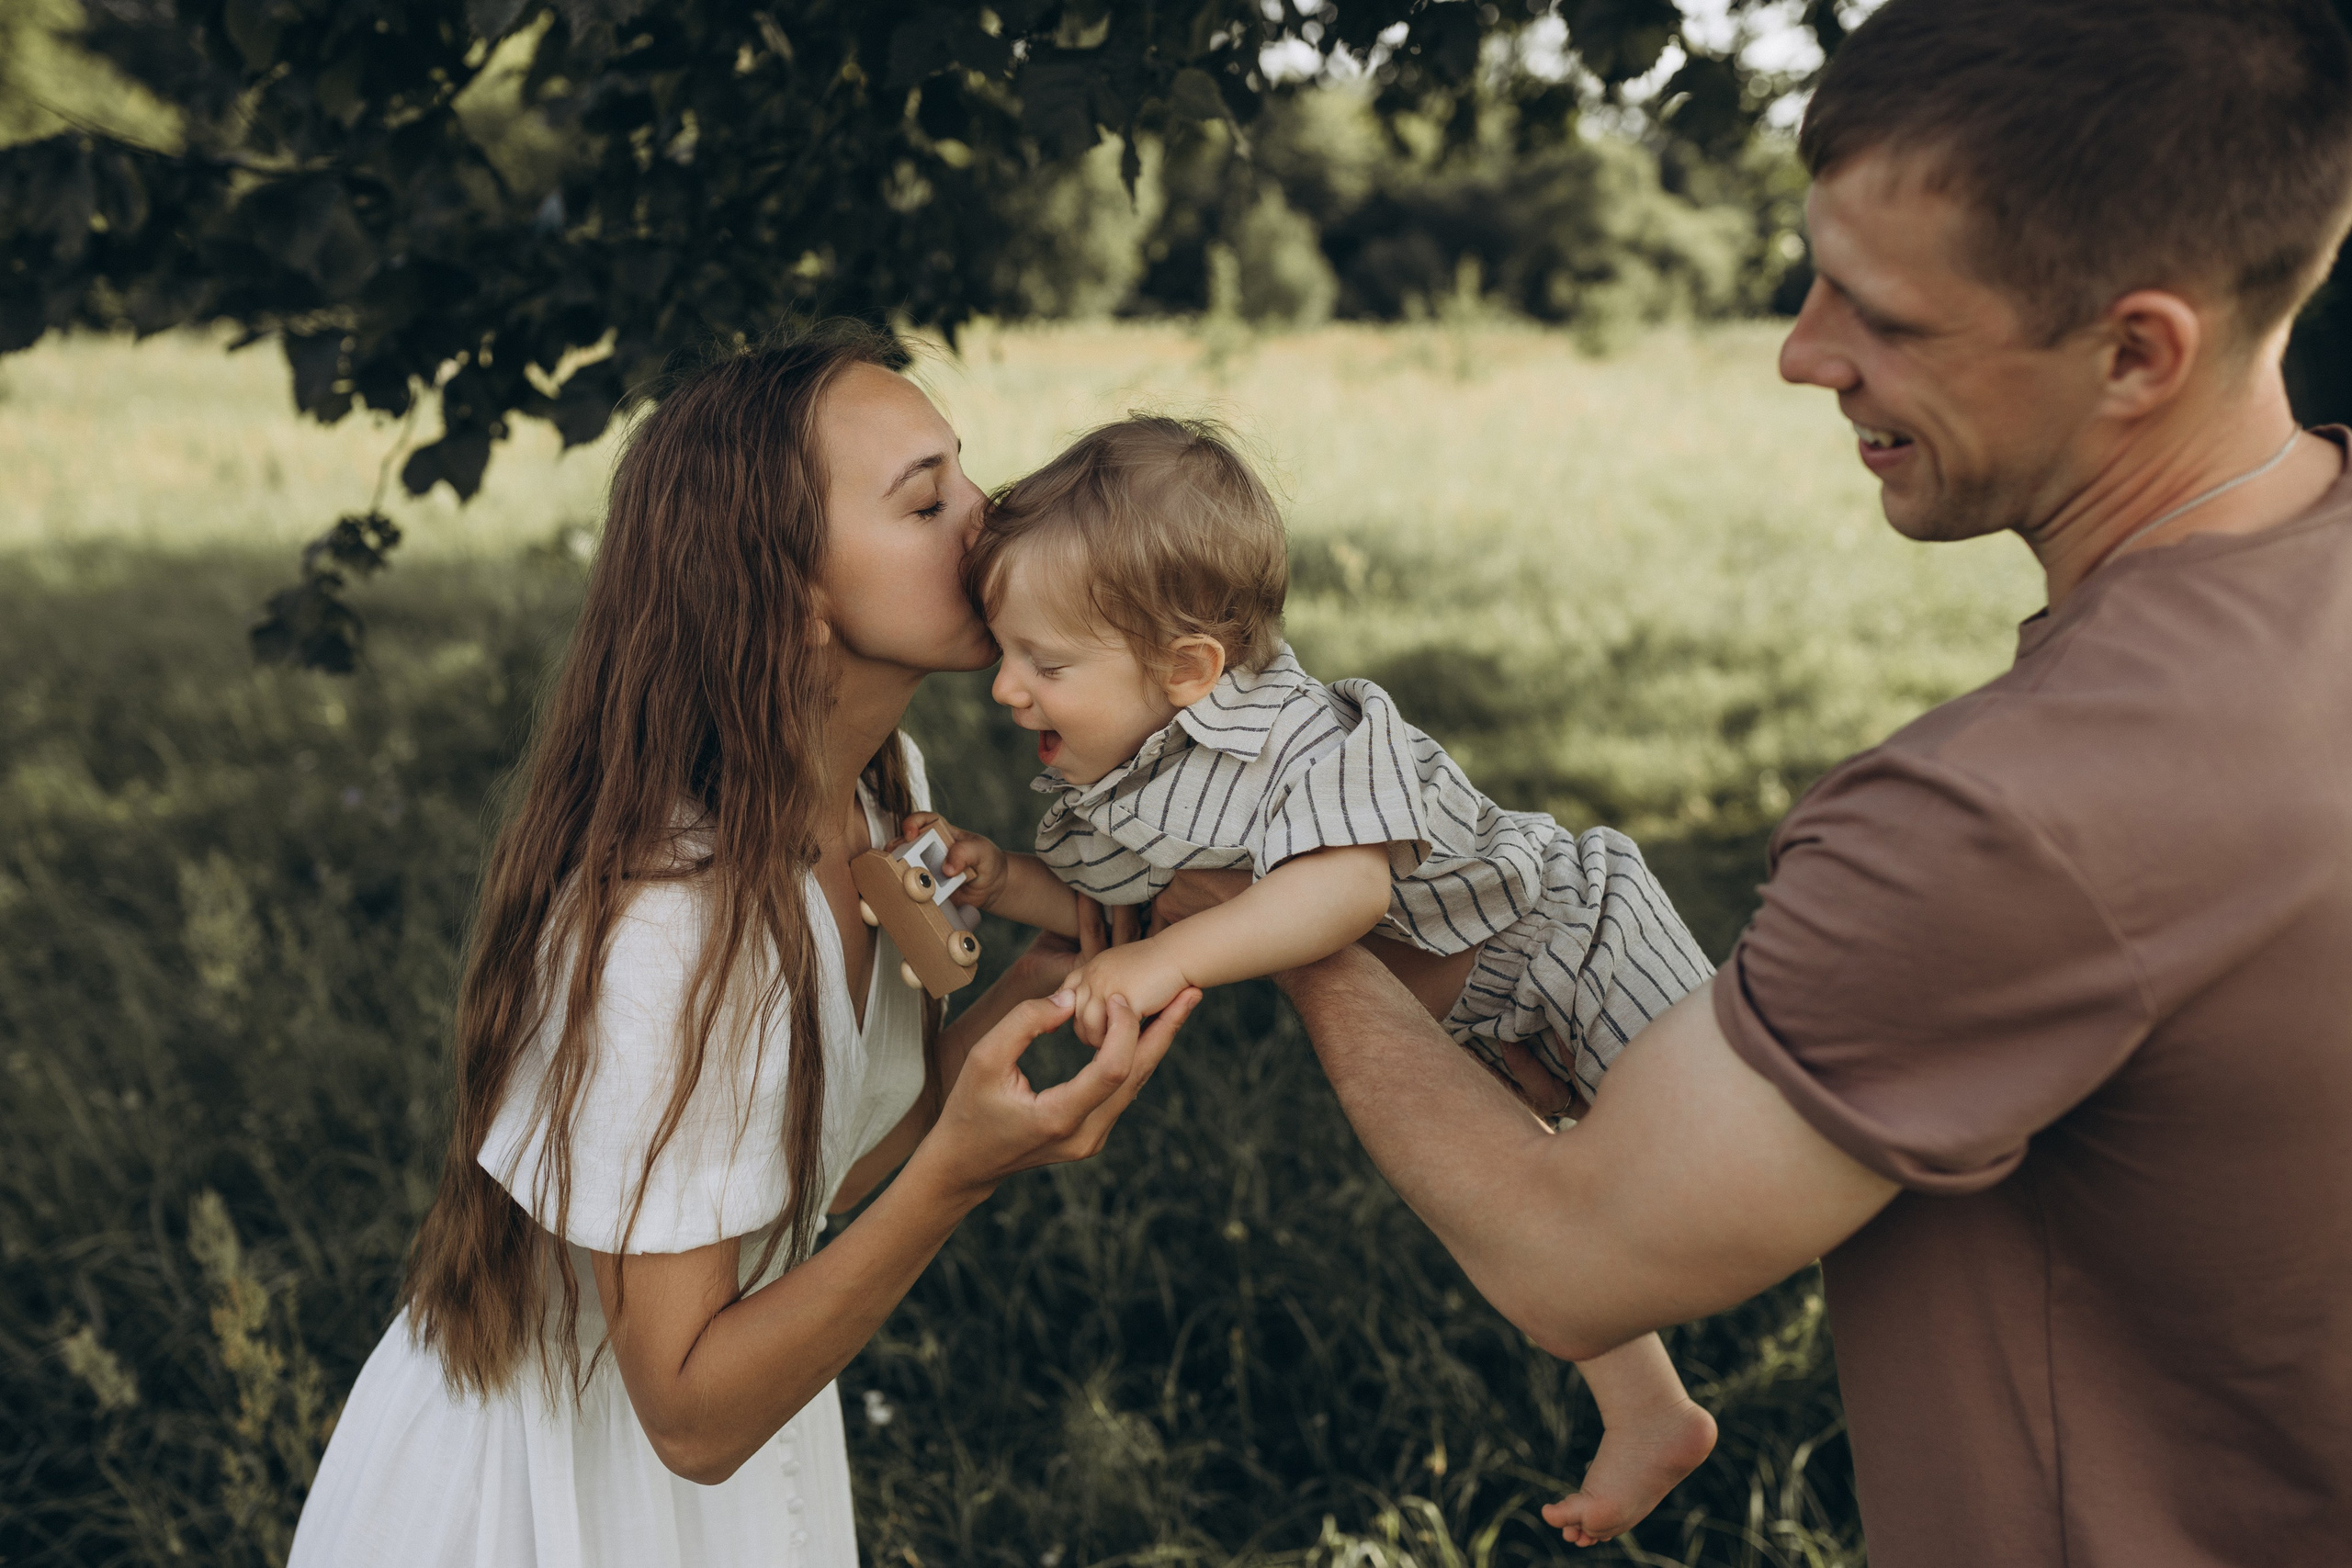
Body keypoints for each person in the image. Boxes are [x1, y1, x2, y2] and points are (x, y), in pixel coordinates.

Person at [1155, 0, 2352, 1560]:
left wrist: (1289, 923)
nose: (1801, 353)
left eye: (1886, 318)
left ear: (2137, 350)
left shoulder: (2011, 816)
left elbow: (1575, 1254)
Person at [288, 324, 1200, 1568]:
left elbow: (821, 1162)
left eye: (967, 475)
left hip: (748, 1443)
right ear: (790, 591)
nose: (992, 519)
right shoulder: (667, 931)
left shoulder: (877, 789)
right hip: (564, 1493)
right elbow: (688, 1411)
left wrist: (1032, 998)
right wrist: (962, 1172)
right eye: (928, 501)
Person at [900, 414, 1719, 1542]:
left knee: (1730, 1150)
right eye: (1006, 656)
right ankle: (1652, 1410)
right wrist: (1005, 883)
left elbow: (1339, 897)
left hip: (1573, 941)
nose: (1005, 691)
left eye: (1044, 665)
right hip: (1471, 1028)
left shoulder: (1307, 739)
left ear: (1188, 668)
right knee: (1532, 1228)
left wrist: (1157, 962)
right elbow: (1124, 908)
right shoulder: (1137, 773)